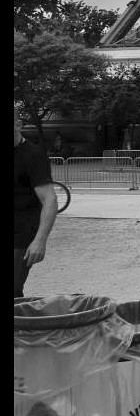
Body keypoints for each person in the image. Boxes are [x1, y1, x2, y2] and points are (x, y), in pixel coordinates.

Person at [14, 108, 58, 297]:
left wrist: (40, 240)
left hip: (21, 237)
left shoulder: (33, 155)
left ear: (18, 125)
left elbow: (49, 199)